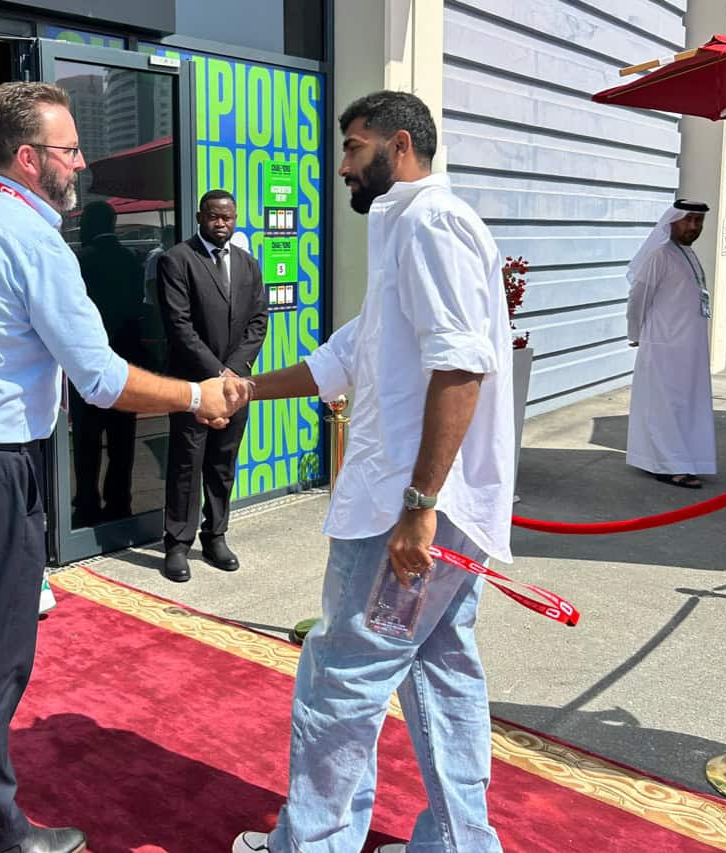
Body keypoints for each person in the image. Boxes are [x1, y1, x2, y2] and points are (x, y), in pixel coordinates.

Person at [0, 81, 247, 853]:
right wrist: (197, 394)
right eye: (69, 149)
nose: (82, 163)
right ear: (28, 159)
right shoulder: (36, 242)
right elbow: (101, 379)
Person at [230, 91, 514, 853]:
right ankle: (458, 845)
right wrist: (246, 388)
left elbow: (461, 366)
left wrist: (419, 505)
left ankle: (311, 843)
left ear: (399, 144)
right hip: (426, 508)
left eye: (353, 149)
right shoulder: (406, 233)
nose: (344, 167)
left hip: (405, 514)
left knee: (340, 682)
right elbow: (345, 359)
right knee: (442, 671)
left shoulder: (429, 223)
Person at [157, 189, 267, 581]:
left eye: (228, 217)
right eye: (214, 217)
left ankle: (215, 535)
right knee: (187, 463)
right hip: (192, 384)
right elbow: (179, 327)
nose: (222, 224)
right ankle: (177, 544)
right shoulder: (177, 261)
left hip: (235, 386)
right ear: (200, 216)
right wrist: (217, 375)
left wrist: (234, 372)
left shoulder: (248, 264)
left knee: (223, 462)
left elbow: (258, 322)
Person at [625, 199, 715, 488]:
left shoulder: (687, 254)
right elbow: (638, 297)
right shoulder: (659, 255)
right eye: (688, 219)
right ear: (672, 221)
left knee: (684, 406)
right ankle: (668, 465)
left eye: (698, 221)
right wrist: (635, 333)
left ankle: (684, 459)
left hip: (690, 350)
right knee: (665, 407)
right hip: (663, 345)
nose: (693, 226)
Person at [70, 200, 145, 526]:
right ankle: (120, 501)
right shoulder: (131, 260)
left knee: (88, 441)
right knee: (122, 440)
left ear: (88, 224)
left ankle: (87, 501)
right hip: (124, 361)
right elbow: (136, 309)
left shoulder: (80, 260)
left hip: (88, 363)